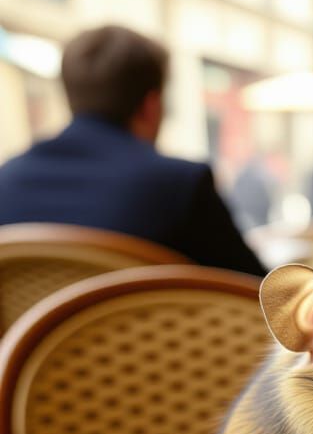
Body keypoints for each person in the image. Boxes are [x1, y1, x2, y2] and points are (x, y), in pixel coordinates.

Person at [0, 25, 265, 276]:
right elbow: (260, 293)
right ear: (152, 105)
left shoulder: (6, 180)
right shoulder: (180, 184)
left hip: (33, 326)